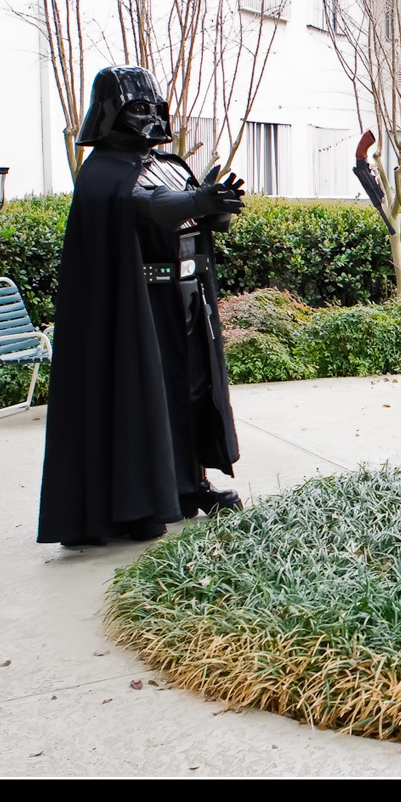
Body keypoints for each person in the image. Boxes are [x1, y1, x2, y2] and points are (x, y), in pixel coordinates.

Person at [38, 66, 247, 547]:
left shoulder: (169, 163)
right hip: (138, 307)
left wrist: (216, 205)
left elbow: (200, 222)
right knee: (150, 395)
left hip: (186, 297)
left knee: (193, 391)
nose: (150, 116)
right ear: (109, 113)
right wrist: (199, 198)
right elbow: (148, 206)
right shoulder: (103, 172)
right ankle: (143, 500)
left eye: (155, 107)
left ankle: (189, 484)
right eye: (137, 107)